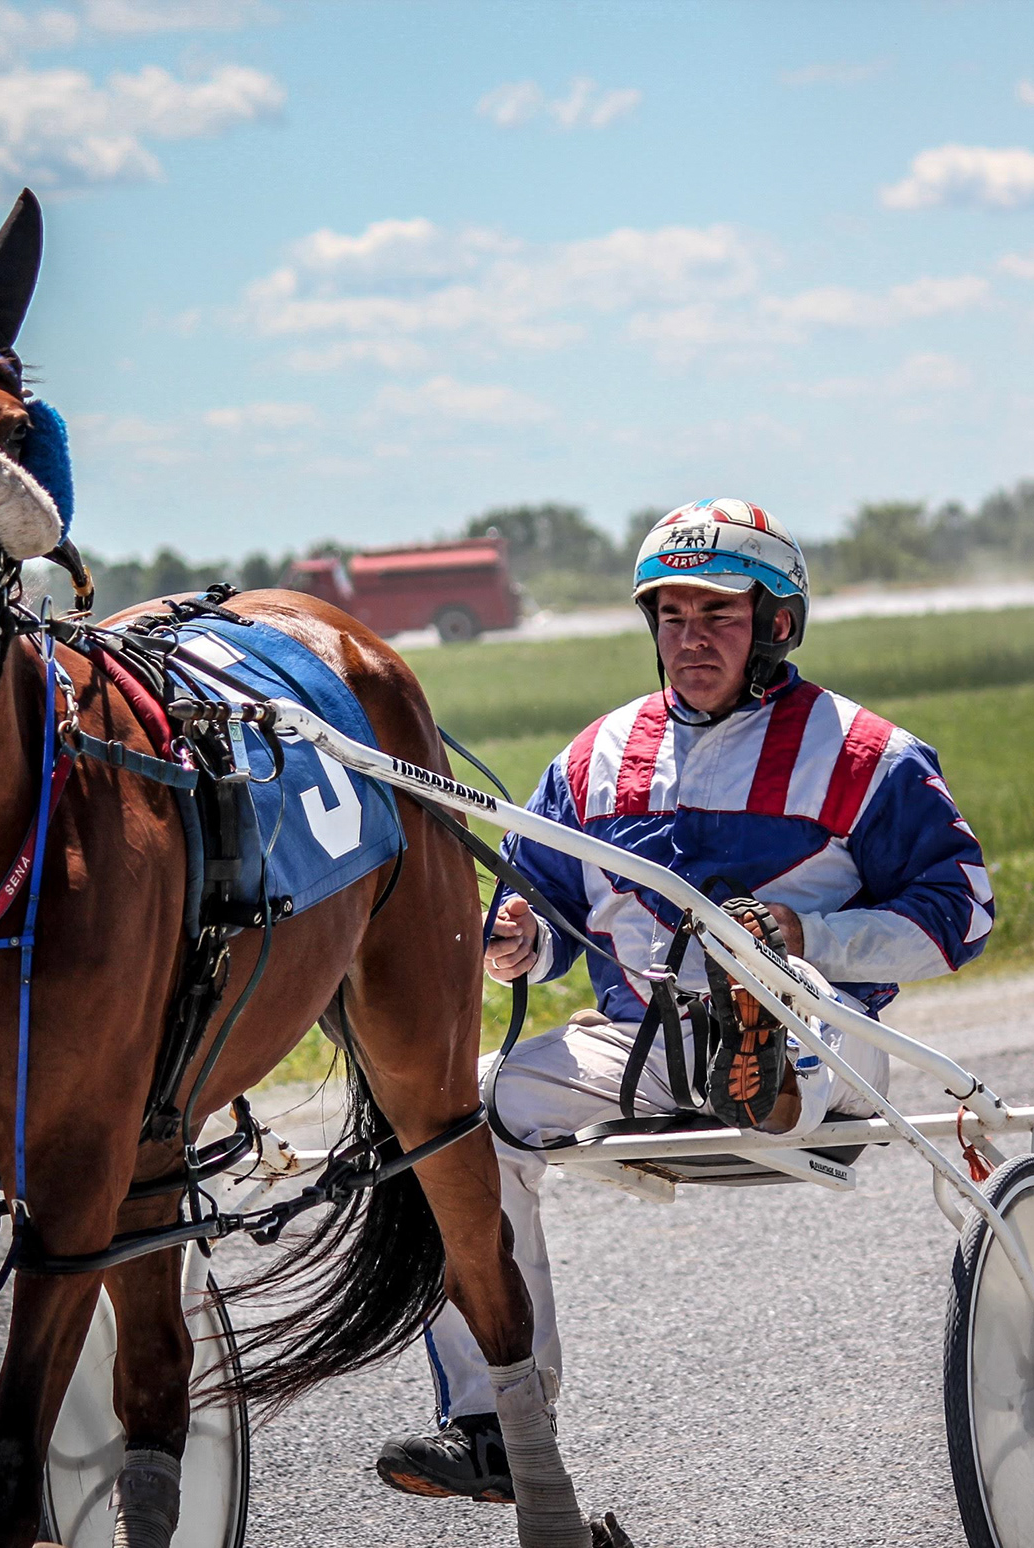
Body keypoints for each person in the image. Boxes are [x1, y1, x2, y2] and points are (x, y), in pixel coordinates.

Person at [377, 498, 996, 1504]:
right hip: (643, 1053)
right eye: (671, 617)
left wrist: (813, 940)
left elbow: (964, 909)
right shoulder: (591, 761)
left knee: (775, 987)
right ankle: (499, 1421)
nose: (689, 639)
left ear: (774, 627)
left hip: (828, 1045)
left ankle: (768, 1077)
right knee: (464, 1116)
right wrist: (520, 941)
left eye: (717, 616)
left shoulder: (867, 755)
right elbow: (541, 909)